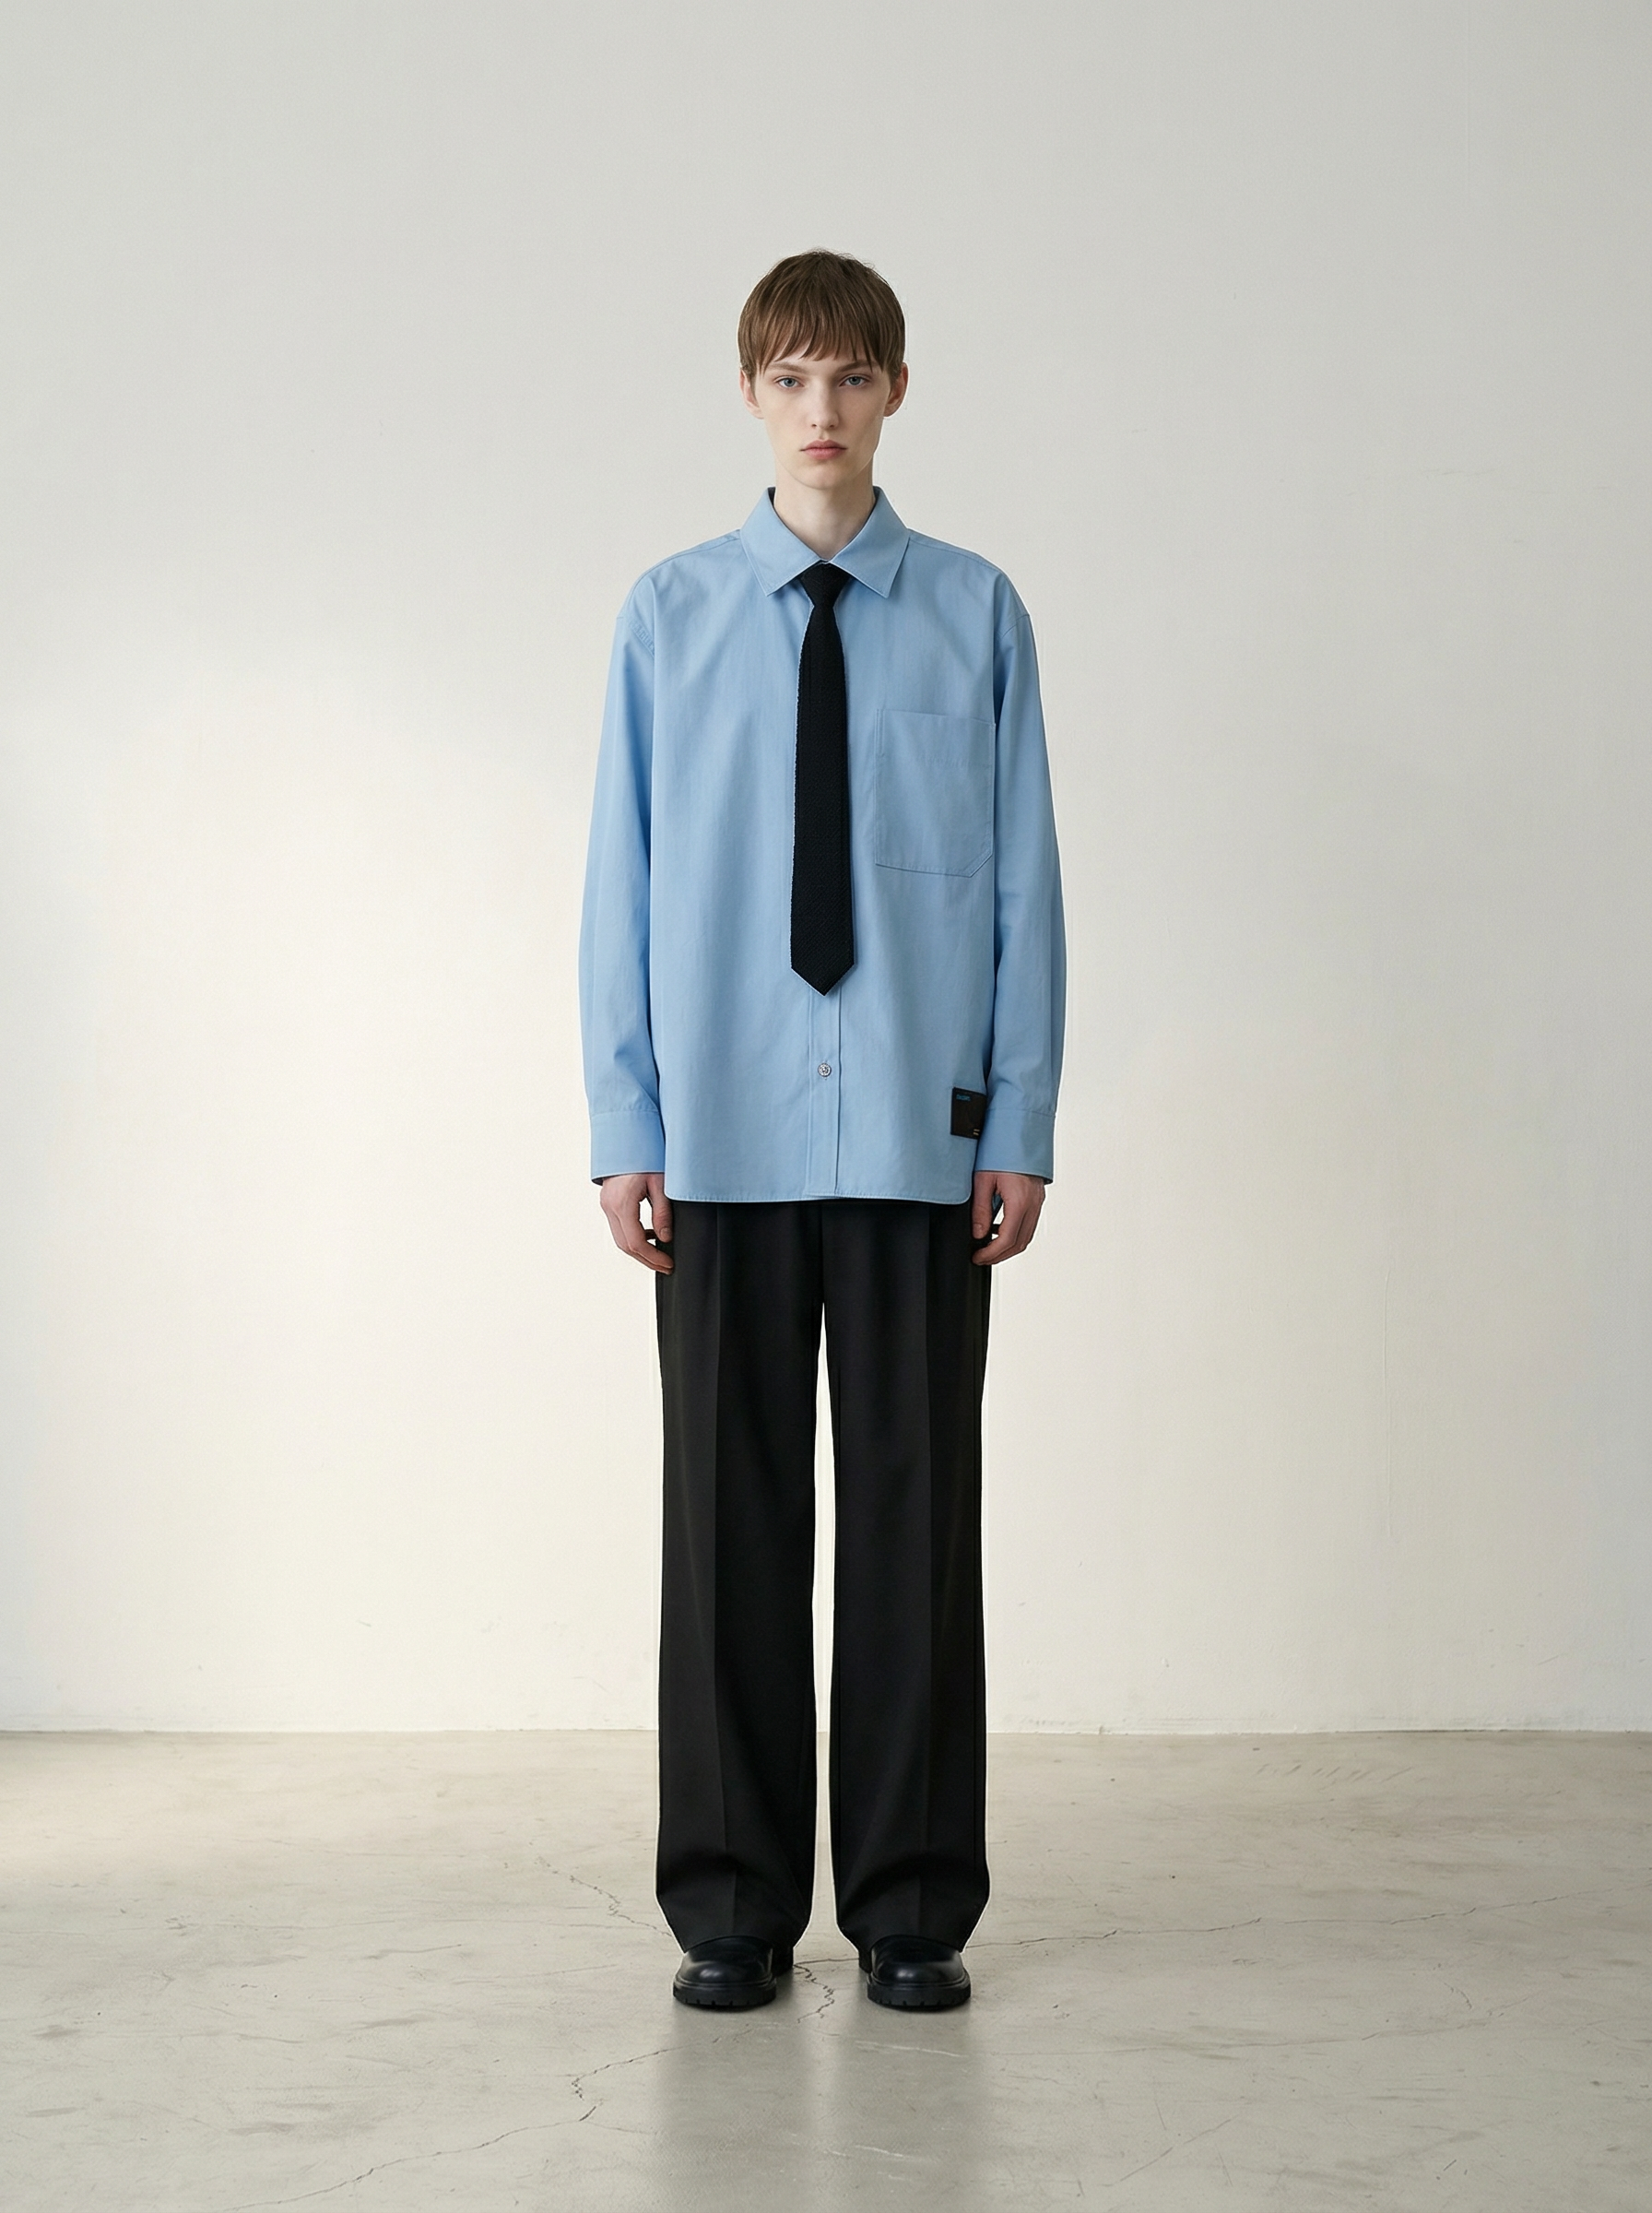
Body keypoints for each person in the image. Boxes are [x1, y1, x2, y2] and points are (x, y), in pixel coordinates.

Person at [578, 250, 1065, 2012]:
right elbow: (621, 880)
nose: (823, 411)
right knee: (728, 1524)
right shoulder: (669, 616)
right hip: (721, 1134)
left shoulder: (976, 613)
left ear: (897, 392)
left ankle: (912, 1905)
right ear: (750, 395)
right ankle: (730, 1904)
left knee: (917, 1524)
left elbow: (1022, 884)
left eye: (853, 377)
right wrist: (625, 1119)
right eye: (791, 378)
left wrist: (1019, 1121)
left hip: (924, 1143)